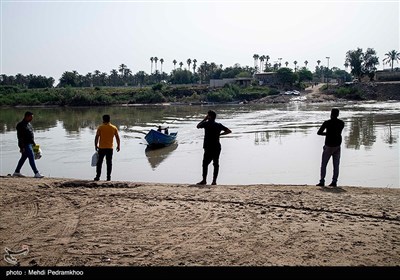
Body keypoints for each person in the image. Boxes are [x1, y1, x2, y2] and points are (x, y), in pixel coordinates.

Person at [196, 110, 231, 185]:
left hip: (208, 146)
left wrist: (204, 119)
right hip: (216, 146)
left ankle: (204, 180)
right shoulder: (218, 125)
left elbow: (198, 126)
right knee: (216, 163)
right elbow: (228, 131)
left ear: (209, 116)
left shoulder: (206, 124)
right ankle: (214, 181)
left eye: (207, 115)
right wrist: (220, 134)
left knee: (205, 164)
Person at [316, 108, 345, 187]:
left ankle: (322, 181)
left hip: (328, 145)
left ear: (331, 114)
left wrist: (327, 134)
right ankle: (334, 182)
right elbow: (338, 132)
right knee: (336, 165)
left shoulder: (327, 123)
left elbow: (319, 132)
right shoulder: (341, 123)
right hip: (337, 146)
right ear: (338, 114)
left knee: (324, 164)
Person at [13, 111, 44, 178]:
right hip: (25, 144)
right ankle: (36, 173)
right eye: (30, 117)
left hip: (31, 143)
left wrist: (34, 145)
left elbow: (31, 135)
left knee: (23, 158)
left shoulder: (29, 124)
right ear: (26, 116)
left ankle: (17, 172)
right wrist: (21, 147)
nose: (31, 119)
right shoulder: (20, 125)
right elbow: (20, 137)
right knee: (31, 157)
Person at [94, 114, 120, 181]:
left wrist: (95, 145)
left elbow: (97, 137)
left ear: (103, 120)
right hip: (110, 148)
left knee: (99, 162)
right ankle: (108, 177)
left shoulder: (100, 127)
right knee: (109, 163)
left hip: (101, 148)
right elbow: (117, 138)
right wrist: (118, 146)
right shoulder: (114, 127)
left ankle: (97, 177)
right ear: (109, 119)